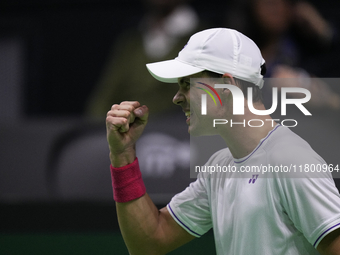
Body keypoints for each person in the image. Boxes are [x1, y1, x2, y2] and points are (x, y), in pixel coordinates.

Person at [106, 28, 340, 254]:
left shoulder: (290, 159)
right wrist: (123, 155)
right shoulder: (218, 167)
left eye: (187, 84)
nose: (176, 98)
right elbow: (150, 243)